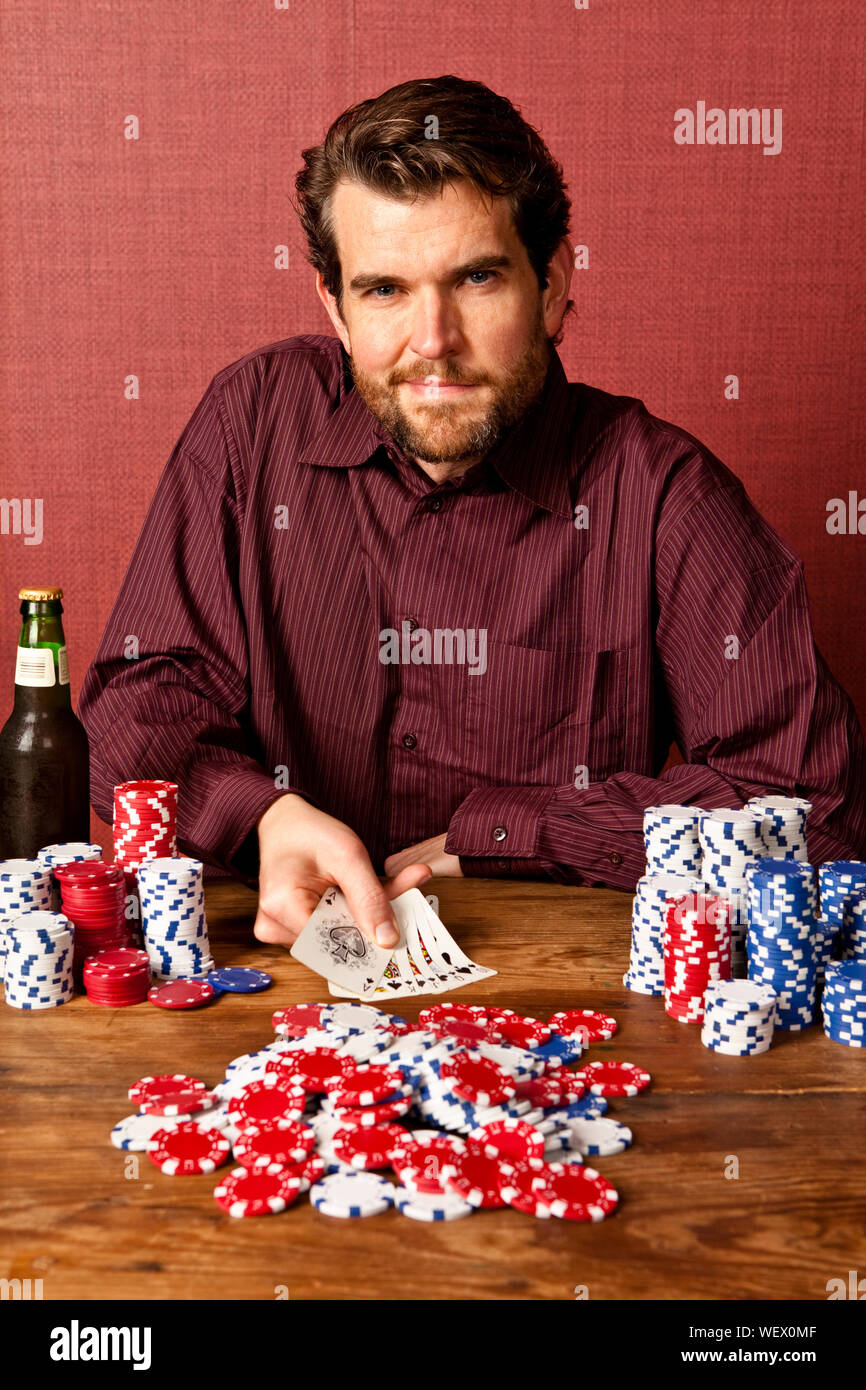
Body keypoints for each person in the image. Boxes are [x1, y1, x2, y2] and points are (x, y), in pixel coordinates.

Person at [79, 74, 866, 953]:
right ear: (333, 307)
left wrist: (520, 834)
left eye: (478, 278)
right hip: (267, 978)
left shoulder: (662, 491)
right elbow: (135, 704)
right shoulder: (250, 421)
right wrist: (261, 817)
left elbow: (811, 810)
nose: (433, 341)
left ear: (555, 282)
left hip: (566, 1000)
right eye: (384, 290)